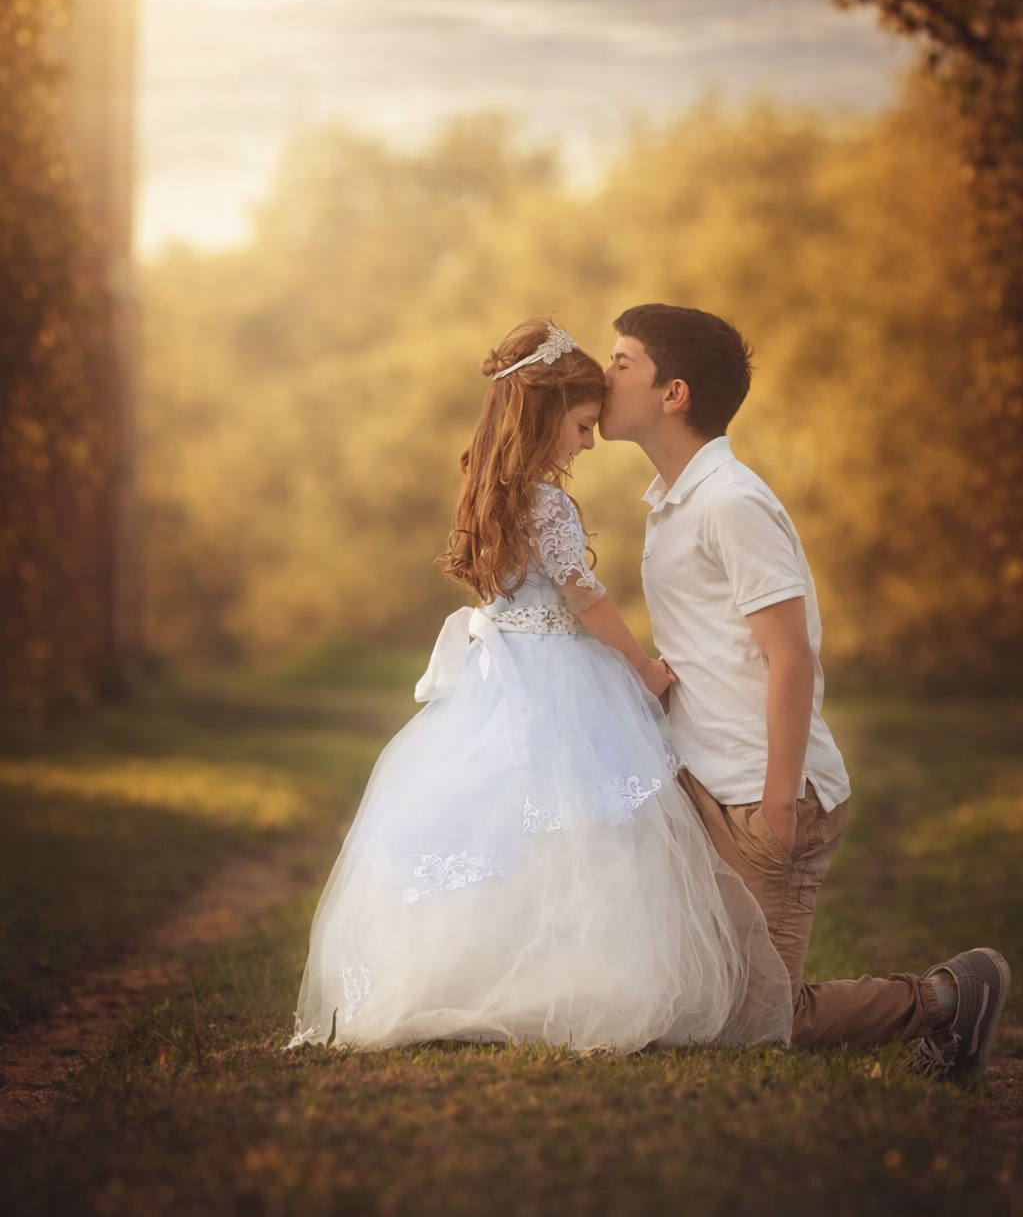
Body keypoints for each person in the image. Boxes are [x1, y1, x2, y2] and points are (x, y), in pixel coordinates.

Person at [286, 317, 793, 1054]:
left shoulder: (487, 492)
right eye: (583, 426)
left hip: (499, 684)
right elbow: (585, 600)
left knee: (506, 833)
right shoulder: (547, 504)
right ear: (547, 415)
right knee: (584, 831)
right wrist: (646, 669)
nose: (589, 442)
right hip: (557, 680)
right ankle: (578, 984)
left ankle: (472, 977)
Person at [599, 301, 1011, 1080]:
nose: (604, 373)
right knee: (695, 1003)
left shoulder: (733, 501)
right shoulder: (672, 504)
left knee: (757, 1024)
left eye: (622, 362)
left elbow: (791, 658)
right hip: (703, 787)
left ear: (673, 393)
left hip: (768, 796)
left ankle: (951, 999)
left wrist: (780, 807)